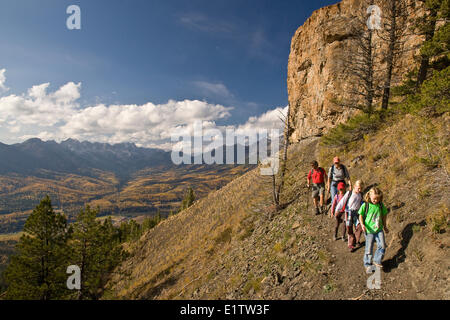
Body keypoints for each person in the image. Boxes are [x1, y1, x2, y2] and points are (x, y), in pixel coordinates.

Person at [358, 187, 389, 274]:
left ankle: (377, 260)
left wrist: (385, 226)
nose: (376, 200)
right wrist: (362, 224)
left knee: (382, 245)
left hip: (379, 229)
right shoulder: (366, 205)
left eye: (377, 199)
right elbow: (360, 215)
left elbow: (384, 215)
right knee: (369, 248)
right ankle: (367, 264)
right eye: (374, 198)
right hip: (369, 230)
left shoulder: (381, 205)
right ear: (370, 196)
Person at [335, 180, 364, 252]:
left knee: (360, 226)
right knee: (349, 228)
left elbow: (361, 203)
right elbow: (343, 201)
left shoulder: (360, 194)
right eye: (358, 188)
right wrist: (337, 209)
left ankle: (356, 240)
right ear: (354, 186)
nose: (359, 190)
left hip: (357, 212)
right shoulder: (349, 193)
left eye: (361, 188)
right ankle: (351, 244)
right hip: (349, 212)